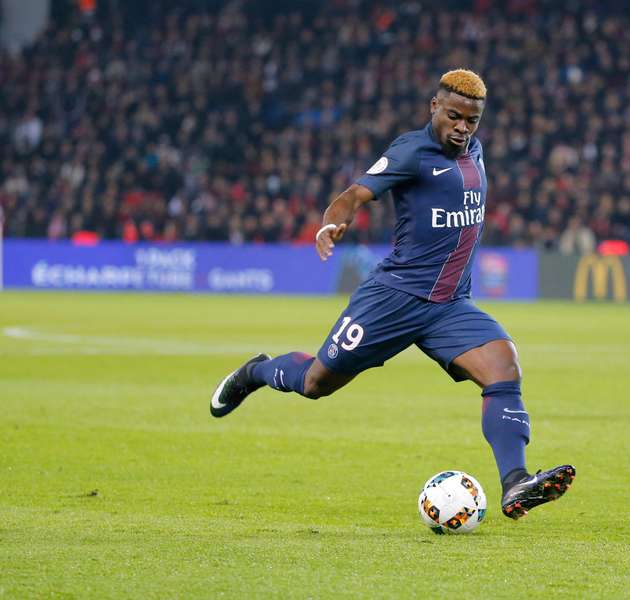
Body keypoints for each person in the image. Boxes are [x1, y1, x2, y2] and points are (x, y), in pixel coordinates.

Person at [210, 70, 574, 520]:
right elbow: (354, 195)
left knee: (504, 367)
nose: (461, 128)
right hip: (393, 299)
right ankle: (256, 372)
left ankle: (516, 482)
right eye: (454, 116)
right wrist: (331, 223)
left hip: (449, 305)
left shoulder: (475, 152)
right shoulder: (411, 152)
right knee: (315, 383)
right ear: (434, 107)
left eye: (471, 121)